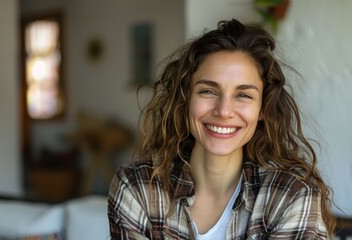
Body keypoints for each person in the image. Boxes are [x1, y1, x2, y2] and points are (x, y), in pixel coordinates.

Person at [108, 19, 335, 239]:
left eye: (243, 95)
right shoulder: (138, 187)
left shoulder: (290, 195)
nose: (224, 111)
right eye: (208, 91)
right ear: (186, 98)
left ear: (262, 109)